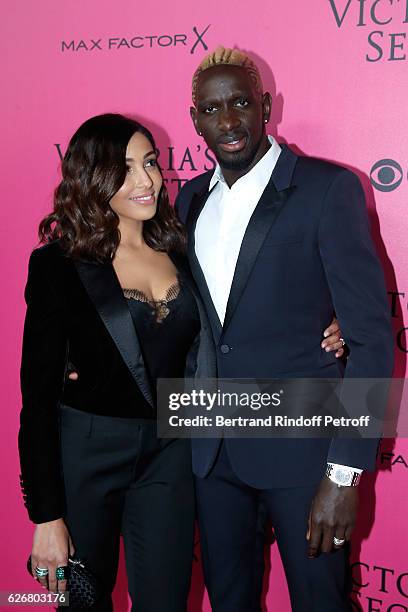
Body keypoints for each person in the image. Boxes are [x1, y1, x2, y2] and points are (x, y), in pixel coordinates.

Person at [175, 47, 394, 611]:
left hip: (305, 455)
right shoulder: (189, 200)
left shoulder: (327, 190)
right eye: (212, 108)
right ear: (195, 117)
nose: (228, 122)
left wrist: (345, 474)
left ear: (266, 105)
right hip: (213, 452)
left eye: (242, 103)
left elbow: (371, 340)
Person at [18, 113, 217, 612]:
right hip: (87, 451)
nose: (147, 180)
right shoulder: (58, 265)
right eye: (125, 169)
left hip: (168, 451)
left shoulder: (180, 247)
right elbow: (37, 400)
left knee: (167, 600)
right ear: (92, 176)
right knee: (85, 603)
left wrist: (332, 325)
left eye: (149, 162)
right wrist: (46, 517)